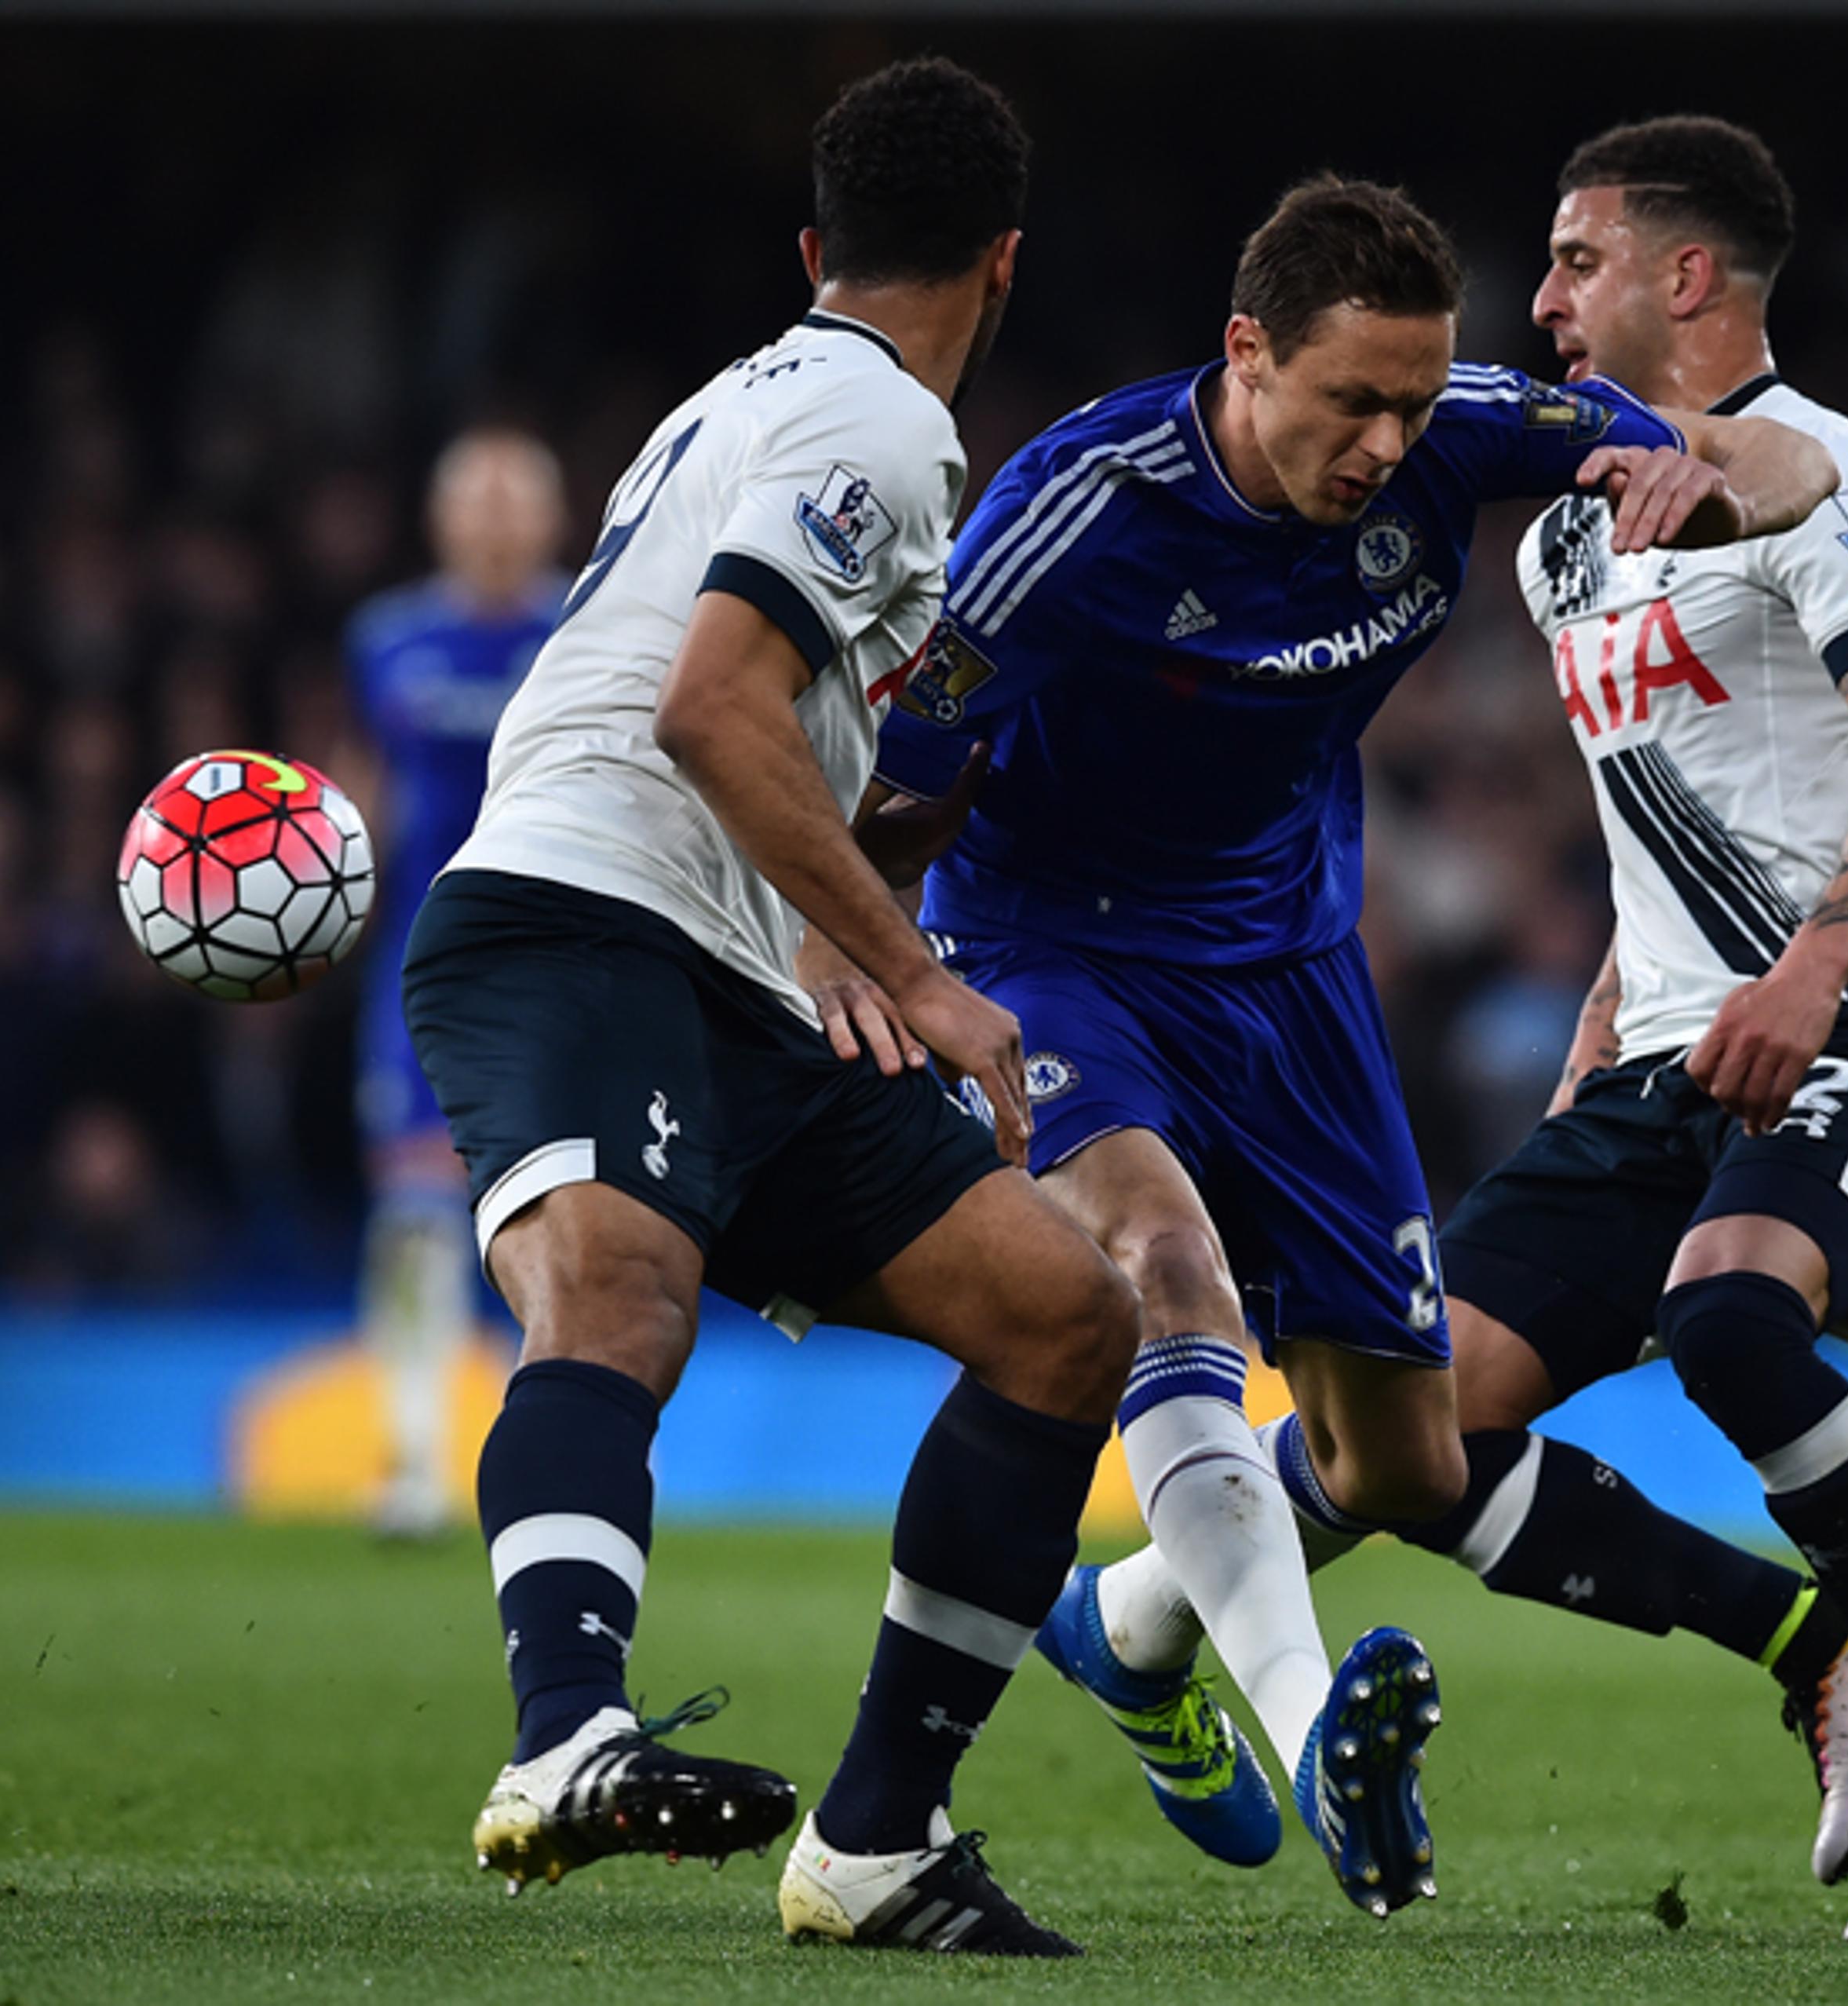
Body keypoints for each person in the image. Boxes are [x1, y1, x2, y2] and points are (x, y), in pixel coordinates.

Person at [1076, 117, 1848, 1944]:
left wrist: (1803, 979)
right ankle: (1805, 1639)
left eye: (1570, 260)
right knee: (1411, 1424)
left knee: (1724, 1314)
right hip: (1658, 1066)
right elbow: (1655, 821)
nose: (1532, 302)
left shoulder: (1824, 477)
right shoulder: (1562, 546)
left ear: (1682, 279)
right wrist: (1603, 1042)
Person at [842, 174, 1836, 1920]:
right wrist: (884, 966)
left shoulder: (1463, 426)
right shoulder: (1075, 511)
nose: (1388, 441)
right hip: (1058, 954)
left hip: (1293, 977)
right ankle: (1314, 1734)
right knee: (1165, 1267)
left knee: (1404, 1462)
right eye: (1349, 401)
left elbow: (1782, 461)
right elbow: (898, 770)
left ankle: (1138, 1642)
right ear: (1246, 352)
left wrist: (1703, 467)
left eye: (1411, 399)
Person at [403, 58, 1141, 1958]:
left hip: (724, 962)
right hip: (576, 910)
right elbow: (705, 706)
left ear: (816, 248)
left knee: (1063, 1317)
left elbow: (761, 720)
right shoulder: (880, 423)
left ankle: (878, 1840)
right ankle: (565, 1735)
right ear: (1003, 266)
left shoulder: (751, 391)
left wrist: (829, 924)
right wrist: (919, 977)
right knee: (622, 1294)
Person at [343, 426, 567, 1536]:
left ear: (550, 518)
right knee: (415, 1219)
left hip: (556, 960)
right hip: (421, 967)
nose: (490, 521)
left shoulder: (588, 624)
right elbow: (361, 794)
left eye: (510, 501)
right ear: (439, 520)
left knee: (574, 1215)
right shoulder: (383, 639)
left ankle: (569, 1448)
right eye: (472, 501)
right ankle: (416, 1459)